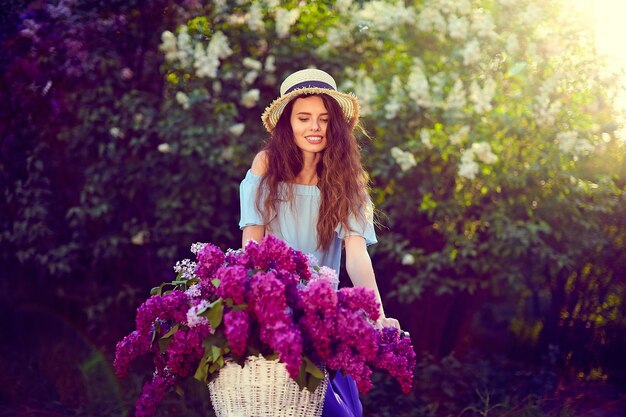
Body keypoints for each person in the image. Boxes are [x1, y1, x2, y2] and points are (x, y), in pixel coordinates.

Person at [239, 68, 400, 417]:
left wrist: (379, 317)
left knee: (349, 412)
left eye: (324, 119)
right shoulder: (266, 165)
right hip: (275, 313)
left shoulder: (346, 179)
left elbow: (356, 257)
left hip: (325, 317)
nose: (314, 127)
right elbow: (250, 248)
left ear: (336, 126)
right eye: (304, 118)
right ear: (287, 123)